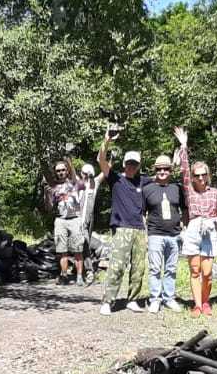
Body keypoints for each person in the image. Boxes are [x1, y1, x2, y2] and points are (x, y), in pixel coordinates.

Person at [97, 127, 152, 315]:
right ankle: (108, 301)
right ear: (123, 163)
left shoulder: (143, 181)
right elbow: (101, 160)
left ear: (138, 165)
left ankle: (133, 299)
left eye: (134, 164)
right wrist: (106, 140)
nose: (131, 166)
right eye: (129, 163)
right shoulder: (115, 178)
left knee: (139, 268)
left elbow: (163, 177)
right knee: (117, 266)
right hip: (121, 228)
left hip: (139, 229)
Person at [174, 127, 217, 317]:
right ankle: (197, 304)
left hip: (209, 229)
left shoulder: (215, 193)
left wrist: (215, 222)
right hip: (194, 228)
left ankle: (206, 301)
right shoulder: (189, 190)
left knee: (207, 272)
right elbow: (185, 168)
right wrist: (183, 145)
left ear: (207, 175)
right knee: (195, 270)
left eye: (203, 174)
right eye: (197, 175)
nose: (200, 178)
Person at [142, 154, 184, 312]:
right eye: (159, 169)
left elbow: (184, 209)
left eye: (166, 168)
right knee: (154, 268)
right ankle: (155, 298)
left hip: (174, 234)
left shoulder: (177, 188)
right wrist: (145, 234)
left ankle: (169, 298)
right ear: (155, 170)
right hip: (155, 234)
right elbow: (142, 213)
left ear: (170, 170)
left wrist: (184, 229)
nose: (162, 171)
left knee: (171, 268)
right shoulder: (147, 189)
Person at [44, 159, 85, 285]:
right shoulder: (53, 187)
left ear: (67, 171)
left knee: (78, 249)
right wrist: (47, 193)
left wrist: (69, 161)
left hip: (75, 218)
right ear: (55, 173)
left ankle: (79, 277)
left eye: (63, 170)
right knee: (62, 251)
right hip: (60, 219)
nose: (61, 172)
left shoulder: (74, 182)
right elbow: (49, 207)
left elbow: (81, 183)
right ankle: (64, 275)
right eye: (58, 171)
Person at [76, 163, 103, 284]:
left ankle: (87, 270)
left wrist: (111, 159)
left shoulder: (95, 182)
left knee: (85, 242)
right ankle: (85, 270)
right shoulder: (78, 183)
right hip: (77, 218)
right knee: (81, 243)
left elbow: (105, 171)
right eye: (84, 174)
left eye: (88, 174)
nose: (85, 176)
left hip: (89, 219)